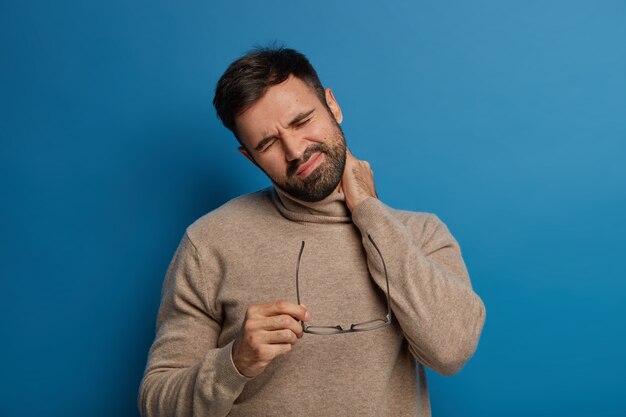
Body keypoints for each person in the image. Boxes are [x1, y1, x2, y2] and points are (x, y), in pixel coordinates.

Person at [138, 46, 486, 417]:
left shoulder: (421, 234)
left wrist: (370, 212)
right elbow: (157, 404)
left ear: (332, 105)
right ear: (248, 157)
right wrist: (234, 362)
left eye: (302, 121)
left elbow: (451, 350)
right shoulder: (209, 244)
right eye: (268, 144)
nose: (295, 150)